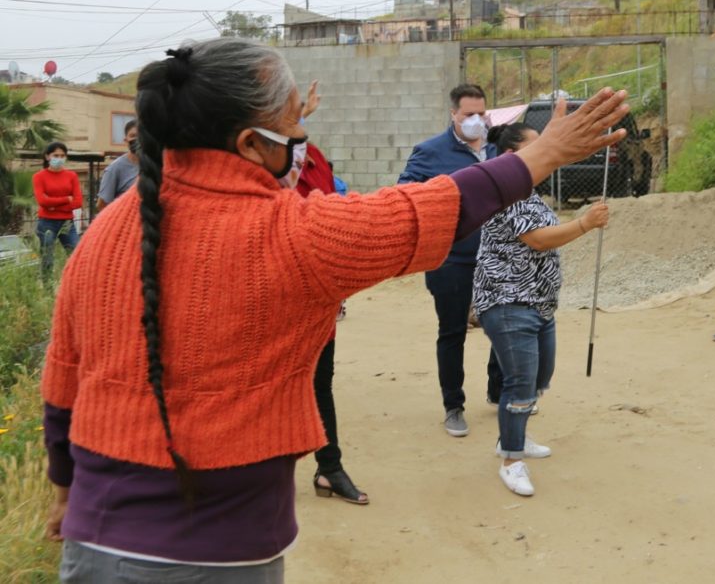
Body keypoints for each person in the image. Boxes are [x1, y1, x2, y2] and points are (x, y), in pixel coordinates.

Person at [40, 37, 629, 580]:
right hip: (213, 553)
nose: (303, 138)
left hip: (92, 537)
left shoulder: (106, 231)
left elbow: (63, 376)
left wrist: (63, 486)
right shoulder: (289, 231)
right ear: (249, 143)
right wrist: (542, 155)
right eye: (296, 120)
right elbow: (425, 209)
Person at [474, 123, 610, 496]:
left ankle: (512, 438)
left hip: (539, 303)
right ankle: (511, 459)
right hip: (508, 301)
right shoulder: (508, 193)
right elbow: (535, 239)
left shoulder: (530, 194)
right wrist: (583, 223)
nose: (548, 152)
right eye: (538, 146)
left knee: (537, 379)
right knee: (519, 384)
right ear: (510, 157)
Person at [398, 84, 504, 438]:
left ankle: (498, 388)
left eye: (481, 113)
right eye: (468, 115)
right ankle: (453, 406)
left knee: (502, 324)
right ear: (453, 115)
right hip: (452, 259)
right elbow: (405, 193)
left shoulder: (497, 149)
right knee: (453, 331)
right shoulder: (429, 152)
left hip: (499, 256)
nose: (476, 120)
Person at [295, 134, 368, 505]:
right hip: (269, 296)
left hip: (317, 295)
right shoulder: (244, 155)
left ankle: (329, 468)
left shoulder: (314, 158)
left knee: (321, 383)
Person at [32, 141, 82, 282]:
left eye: (62, 155)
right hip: (47, 223)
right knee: (47, 259)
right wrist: (67, 199)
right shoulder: (39, 177)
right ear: (47, 156)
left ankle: (74, 285)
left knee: (76, 254)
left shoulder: (72, 176)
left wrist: (53, 204)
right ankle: (47, 290)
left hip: (67, 223)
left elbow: (78, 202)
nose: (59, 158)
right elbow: (42, 201)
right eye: (56, 155)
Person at [95, 119, 140, 212]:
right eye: (133, 136)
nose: (137, 139)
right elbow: (102, 205)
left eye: (140, 136)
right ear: (125, 140)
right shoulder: (115, 169)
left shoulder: (156, 165)